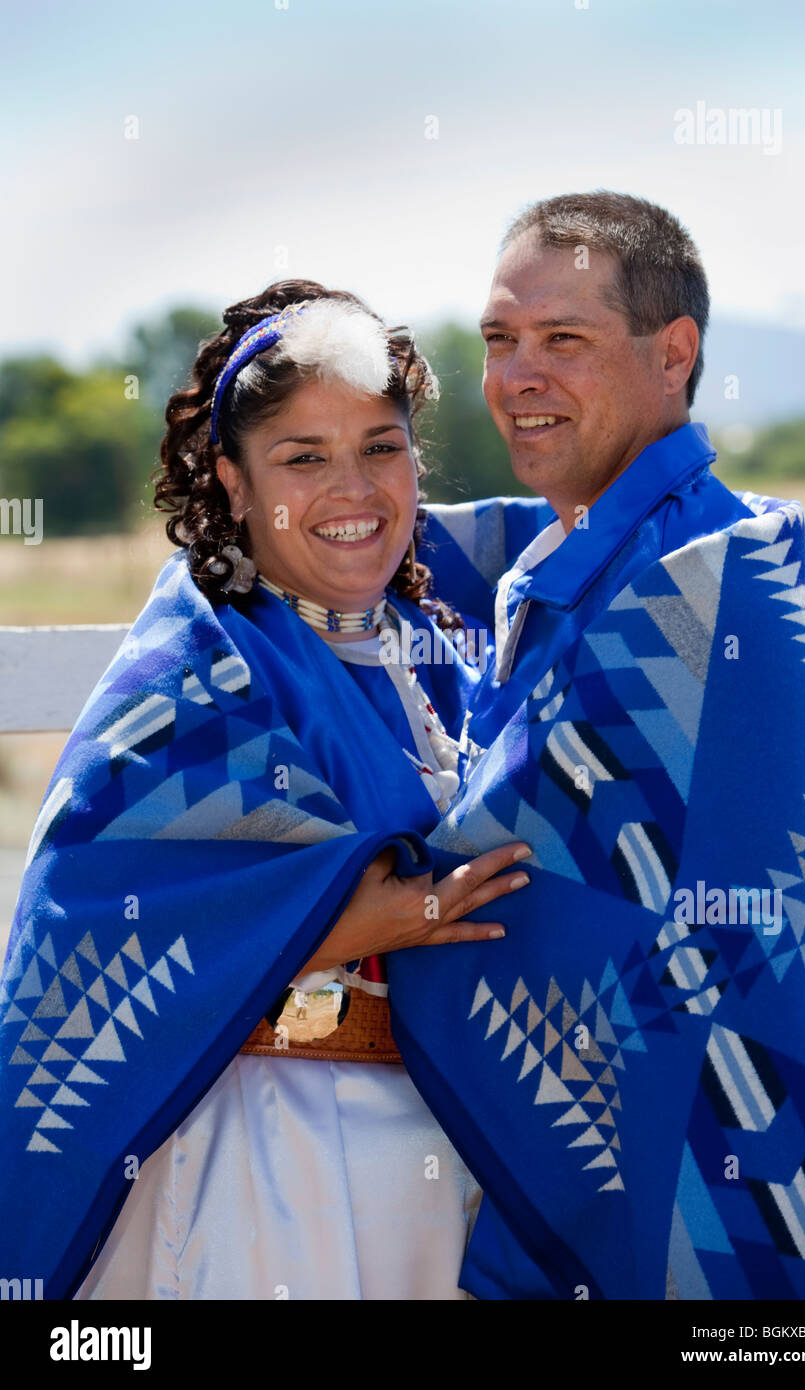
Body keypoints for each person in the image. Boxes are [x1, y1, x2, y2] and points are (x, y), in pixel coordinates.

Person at [0, 281, 534, 1300]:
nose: (354, 489)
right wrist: (351, 920)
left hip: (430, 1165)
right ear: (233, 484)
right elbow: (89, 913)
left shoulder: (431, 658)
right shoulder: (192, 670)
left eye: (381, 447)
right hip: (254, 1170)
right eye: (303, 458)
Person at [387, 192, 805, 1299]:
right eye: (498, 342)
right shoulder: (570, 551)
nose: (516, 377)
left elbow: (496, 865)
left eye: (563, 340)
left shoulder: (710, 586)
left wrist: (315, 895)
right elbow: (364, 543)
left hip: (720, 1187)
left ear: (673, 354)